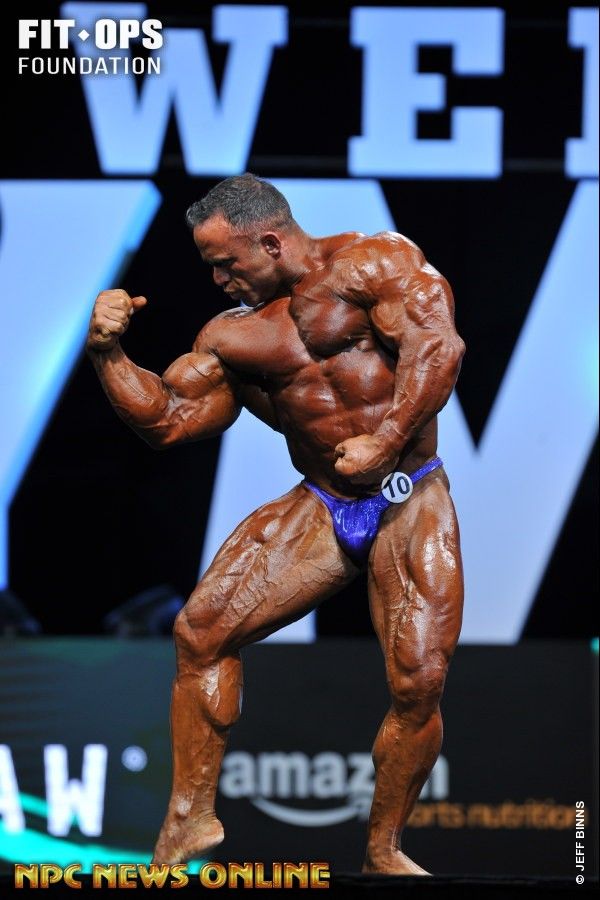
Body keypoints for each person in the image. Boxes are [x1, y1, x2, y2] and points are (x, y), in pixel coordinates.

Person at [86, 173, 465, 875]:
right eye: (211, 267)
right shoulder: (233, 335)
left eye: (225, 263)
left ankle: (384, 849)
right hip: (323, 500)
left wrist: (386, 442)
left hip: (408, 493)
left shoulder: (375, 263)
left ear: (268, 240)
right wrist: (108, 354)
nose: (217, 279)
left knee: (419, 680)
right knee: (201, 632)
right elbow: (167, 420)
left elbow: (439, 349)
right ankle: (188, 820)